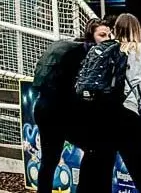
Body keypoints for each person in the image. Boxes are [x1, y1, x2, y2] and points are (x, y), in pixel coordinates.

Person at [76, 13, 141, 193]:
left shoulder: (106, 48)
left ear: (114, 30)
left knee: (98, 167)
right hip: (127, 113)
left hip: (102, 113)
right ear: (137, 30)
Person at [32, 19, 111, 193]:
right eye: (102, 35)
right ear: (92, 36)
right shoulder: (87, 55)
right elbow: (79, 89)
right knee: (94, 147)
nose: (106, 39)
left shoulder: (70, 48)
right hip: (60, 111)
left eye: (108, 35)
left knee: (49, 159)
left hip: (44, 107)